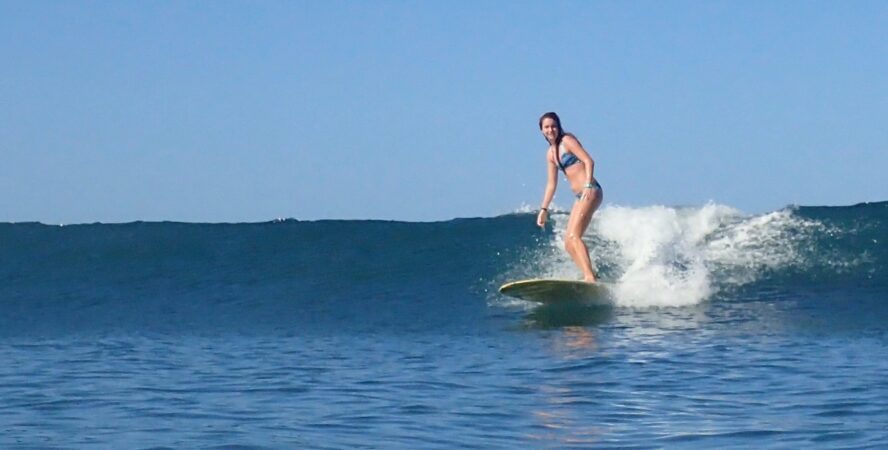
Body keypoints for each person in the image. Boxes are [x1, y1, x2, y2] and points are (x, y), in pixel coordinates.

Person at [535, 112, 603, 283]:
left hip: (591, 190)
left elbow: (589, 161)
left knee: (574, 236)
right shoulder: (551, 154)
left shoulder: (567, 141)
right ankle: (590, 274)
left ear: (558, 127)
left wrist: (588, 184)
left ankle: (589, 277)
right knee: (568, 242)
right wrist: (543, 209)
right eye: (546, 127)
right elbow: (551, 184)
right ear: (542, 131)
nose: (551, 129)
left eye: (553, 126)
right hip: (579, 195)